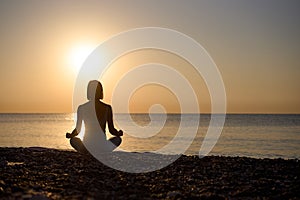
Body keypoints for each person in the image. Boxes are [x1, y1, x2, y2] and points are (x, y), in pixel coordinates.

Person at [66, 80, 123, 154]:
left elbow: (78, 130)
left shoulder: (82, 108)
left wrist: (71, 135)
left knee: (73, 140)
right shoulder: (107, 108)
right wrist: (118, 133)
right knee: (118, 139)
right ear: (101, 92)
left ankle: (86, 151)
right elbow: (111, 130)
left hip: (87, 146)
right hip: (102, 145)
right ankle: (103, 151)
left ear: (89, 92)